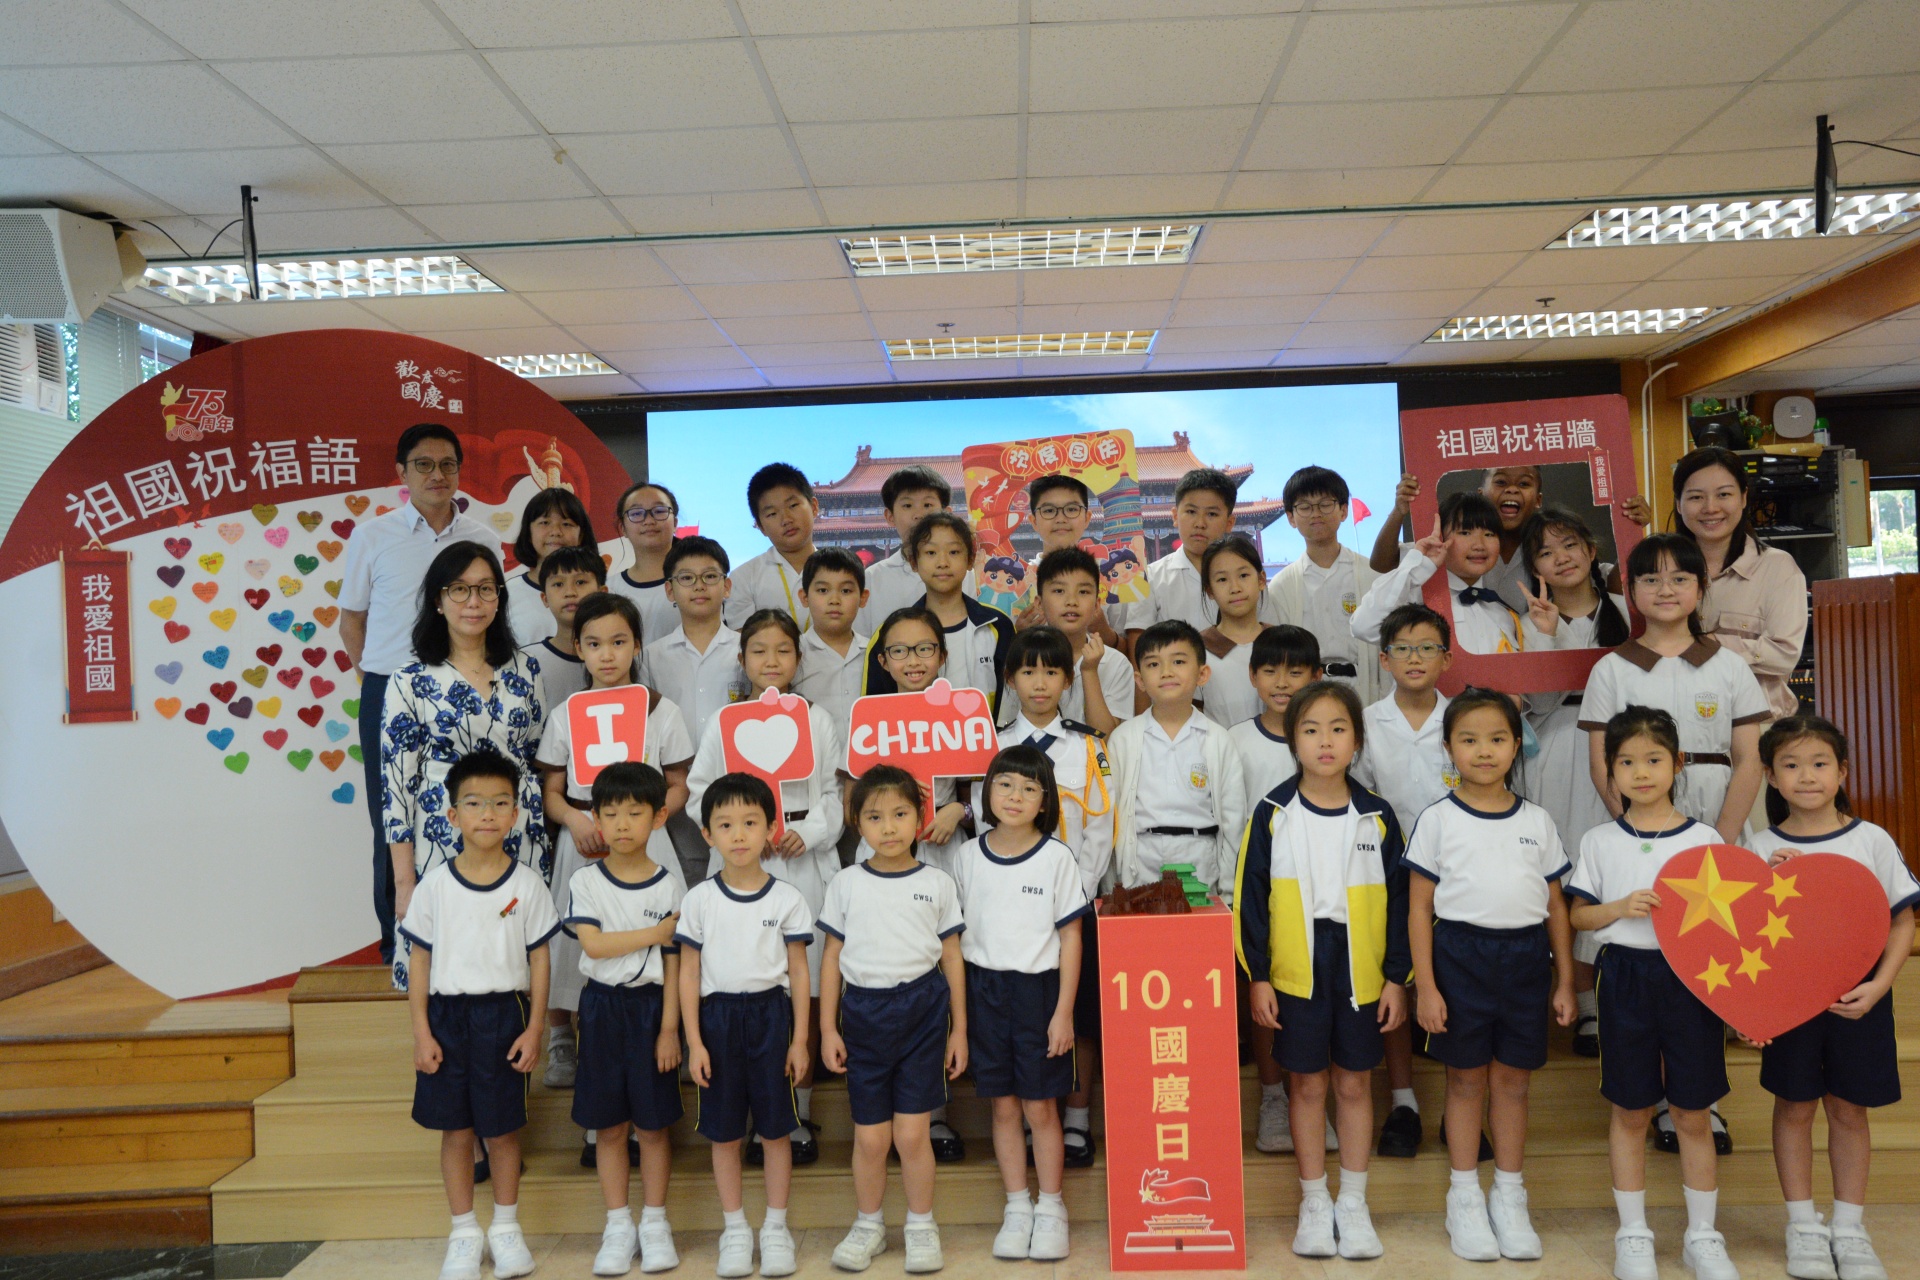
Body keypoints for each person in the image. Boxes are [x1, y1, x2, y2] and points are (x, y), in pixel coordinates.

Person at [1236, 681, 1409, 1261]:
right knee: (1307, 1084)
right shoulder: (1273, 813)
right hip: (1296, 970)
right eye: (1311, 730)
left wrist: (1396, 977)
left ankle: (1353, 1203)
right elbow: (1250, 901)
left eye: (1338, 729)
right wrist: (1259, 974)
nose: (1325, 741)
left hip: (1361, 970)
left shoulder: (1378, 816)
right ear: (1294, 741)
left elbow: (1402, 904)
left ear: (1357, 741)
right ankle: (1314, 1202)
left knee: (1354, 1083)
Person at [1405, 688, 1576, 1263]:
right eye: (1470, 740)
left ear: (1516, 745)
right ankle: (1464, 1197)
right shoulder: (1437, 820)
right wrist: (1427, 986)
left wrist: (1566, 980)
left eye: (1498, 738)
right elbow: (1418, 911)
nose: (1484, 751)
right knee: (1464, 1081)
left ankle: (1509, 1194)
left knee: (1513, 1082)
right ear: (1448, 747)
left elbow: (1556, 907)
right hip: (1460, 959)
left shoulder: (1537, 820)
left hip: (1525, 961)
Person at [1565, 707, 1736, 1280]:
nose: (1641, 773)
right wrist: (1620, 907)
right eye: (1627, 762)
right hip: (1625, 978)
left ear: (1678, 764)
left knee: (1692, 1110)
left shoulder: (1705, 839)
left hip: (1692, 981)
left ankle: (1703, 1236)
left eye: (1654, 760)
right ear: (1610, 772)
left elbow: (1732, 926)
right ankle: (1633, 1233)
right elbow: (1579, 916)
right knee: (1631, 1108)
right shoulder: (1599, 840)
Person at [1749, 716, 1917, 1280]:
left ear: (1842, 772)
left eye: (1820, 764)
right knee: (1794, 1105)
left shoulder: (1871, 839)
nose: (1807, 777)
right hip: (1790, 999)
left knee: (1848, 1108)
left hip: (1857, 995)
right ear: (1770, 776)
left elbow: (1902, 921)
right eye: (1791, 765)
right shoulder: (1760, 846)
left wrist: (1879, 985)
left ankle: (1849, 1227)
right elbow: (1746, 939)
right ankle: (1803, 1226)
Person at [686, 608, 844, 1167]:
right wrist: (743, 835)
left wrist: (807, 832)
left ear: (798, 658)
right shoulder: (725, 723)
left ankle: (797, 1112)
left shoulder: (817, 720)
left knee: (803, 985)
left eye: (783, 650)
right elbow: (698, 794)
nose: (771, 660)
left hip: (799, 857)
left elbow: (833, 795)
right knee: (745, 982)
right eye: (759, 650)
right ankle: (747, 1114)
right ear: (742, 658)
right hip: (741, 863)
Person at [399, 750, 559, 1280]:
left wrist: (535, 1028)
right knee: (457, 1131)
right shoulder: (434, 886)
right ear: (453, 815)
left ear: (515, 814)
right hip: (447, 1017)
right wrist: (421, 1033)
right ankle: (464, 1232)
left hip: (505, 1015)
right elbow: (419, 960)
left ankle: (507, 1229)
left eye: (499, 803)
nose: (487, 813)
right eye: (473, 803)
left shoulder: (527, 885)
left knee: (503, 1130)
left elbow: (540, 959)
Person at [341, 422, 496, 967]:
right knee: (393, 817)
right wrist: (375, 681)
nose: (437, 475)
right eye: (424, 465)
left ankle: (471, 937)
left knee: (469, 807)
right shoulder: (373, 536)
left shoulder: (481, 537)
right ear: (401, 473)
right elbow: (352, 620)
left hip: (463, 686)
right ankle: (397, 945)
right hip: (388, 689)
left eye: (448, 464)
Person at [536, 594, 694, 1119]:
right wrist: (577, 819)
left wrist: (651, 820)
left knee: (662, 938)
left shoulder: (660, 710)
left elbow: (679, 782)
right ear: (579, 649)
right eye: (595, 644)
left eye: (619, 642)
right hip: (584, 841)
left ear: (637, 645)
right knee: (578, 946)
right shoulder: (565, 714)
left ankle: (669, 1031)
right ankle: (567, 1040)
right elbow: (551, 791)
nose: (607, 654)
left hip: (648, 841)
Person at [819, 766, 968, 1275]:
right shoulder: (845, 883)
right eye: (875, 817)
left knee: (911, 1135)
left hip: (924, 1012)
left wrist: (960, 1030)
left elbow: (952, 958)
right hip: (863, 1013)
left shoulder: (937, 882)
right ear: (857, 823)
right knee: (871, 1138)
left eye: (900, 814)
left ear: (920, 817)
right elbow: (831, 958)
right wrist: (827, 1028)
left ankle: (922, 1227)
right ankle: (869, 1225)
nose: (888, 827)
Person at [381, 541, 545, 993]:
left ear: (499, 598)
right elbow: (396, 787)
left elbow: (536, 754)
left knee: (514, 960)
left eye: (486, 589)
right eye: (459, 589)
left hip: (517, 829)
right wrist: (404, 882)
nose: (474, 601)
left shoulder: (526, 669)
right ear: (438, 600)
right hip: (443, 833)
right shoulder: (410, 679)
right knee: (445, 966)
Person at [951, 746, 1089, 1263]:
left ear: (1045, 802)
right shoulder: (967, 856)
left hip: (1039, 994)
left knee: (1040, 1107)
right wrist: (959, 1021)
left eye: (1030, 788)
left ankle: (1051, 1207)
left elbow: (1071, 938)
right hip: (983, 991)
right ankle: (1017, 1206)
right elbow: (954, 941)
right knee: (1004, 1106)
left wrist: (1063, 1013)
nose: (1015, 796)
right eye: (1005, 784)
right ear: (986, 791)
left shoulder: (1057, 857)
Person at [675, 773, 815, 1280]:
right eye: (726, 825)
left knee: (776, 1131)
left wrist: (801, 1040)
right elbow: (688, 973)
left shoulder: (787, 898)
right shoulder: (699, 900)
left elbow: (799, 972)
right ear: (707, 834)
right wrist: (694, 1042)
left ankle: (775, 1228)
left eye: (751, 823)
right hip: (716, 1021)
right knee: (725, 1133)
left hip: (772, 1017)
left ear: (770, 829)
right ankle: (734, 1228)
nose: (739, 835)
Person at [989, 626, 1115, 1171]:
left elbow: (1101, 827)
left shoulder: (1088, 746)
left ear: (1068, 681)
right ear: (1010, 679)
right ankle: (1022, 1117)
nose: (1039, 683)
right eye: (1027, 672)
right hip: (1009, 909)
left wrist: (1072, 896)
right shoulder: (993, 743)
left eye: (1051, 672)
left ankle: (1078, 1118)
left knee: (1079, 1013)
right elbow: (987, 828)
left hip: (1073, 907)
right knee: (1019, 1014)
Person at [560, 762, 686, 1278]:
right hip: (602, 1009)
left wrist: (670, 1029)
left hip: (654, 1010)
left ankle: (654, 1223)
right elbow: (593, 945)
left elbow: (676, 965)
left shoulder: (669, 885)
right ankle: (618, 1225)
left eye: (634, 813)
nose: (622, 824)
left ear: (658, 817)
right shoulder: (585, 881)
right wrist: (655, 934)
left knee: (653, 1127)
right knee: (609, 1127)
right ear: (596, 819)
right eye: (610, 814)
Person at [1516, 507, 1630, 1058]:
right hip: (1559, 745)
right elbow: (1537, 702)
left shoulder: (1629, 613)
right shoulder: (1527, 620)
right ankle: (1585, 1005)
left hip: (1625, 745)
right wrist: (1545, 636)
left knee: (1619, 868)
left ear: (1590, 550)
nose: (1560, 558)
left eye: (1568, 545)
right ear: (1534, 568)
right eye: (1545, 552)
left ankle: (1624, 996)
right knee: (1567, 875)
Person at [1349, 603, 1457, 1160]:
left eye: (1427, 648)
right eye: (1403, 649)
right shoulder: (1367, 723)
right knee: (1394, 979)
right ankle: (1404, 1101)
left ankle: (1461, 1109)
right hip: (1386, 873)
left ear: (1447, 658)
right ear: (1384, 659)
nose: (1416, 658)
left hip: (1458, 875)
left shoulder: (1465, 718)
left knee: (1452, 984)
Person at [1225, 624, 1325, 1157]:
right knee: (1261, 990)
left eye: (1296, 671)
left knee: (1316, 991)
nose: (1282, 682)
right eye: (1270, 671)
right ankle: (1271, 1097)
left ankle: (1314, 1095)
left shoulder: (1328, 738)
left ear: (1317, 675)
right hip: (1258, 890)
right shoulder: (1234, 741)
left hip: (1322, 888)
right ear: (1252, 676)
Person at [1629, 446, 1809, 725]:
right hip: (1674, 725)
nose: (1710, 508)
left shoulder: (1777, 568)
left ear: (1744, 498)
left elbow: (1785, 656)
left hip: (1757, 726)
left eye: (1724, 494)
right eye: (1696, 497)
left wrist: (1709, 644)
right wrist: (1630, 529)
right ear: (1679, 504)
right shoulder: (1659, 570)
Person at [1105, 620, 1249, 896]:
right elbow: (1111, 815)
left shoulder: (1218, 739)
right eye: (1153, 664)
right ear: (1139, 680)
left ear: (1202, 674)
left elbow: (1234, 819)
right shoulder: (1123, 739)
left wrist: (1229, 891)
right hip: (1140, 858)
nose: (1166, 672)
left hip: (1200, 856)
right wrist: (1113, 883)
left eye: (1179, 662)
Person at [864, 512, 1014, 724]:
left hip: (988, 743)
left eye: (953, 552)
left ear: (970, 560)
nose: (943, 562)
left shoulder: (999, 627)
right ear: (914, 562)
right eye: (931, 552)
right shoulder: (890, 635)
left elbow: (1011, 703)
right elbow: (874, 712)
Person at [1267, 466, 1384, 706]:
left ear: (1343, 511)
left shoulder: (1372, 575)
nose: (1316, 514)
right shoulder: (1281, 586)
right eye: (1305, 507)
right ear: (1291, 517)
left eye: (1325, 504)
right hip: (1306, 694)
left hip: (1366, 691)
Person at [1353, 493, 1524, 655]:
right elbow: (1364, 627)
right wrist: (1419, 567)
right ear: (1440, 537)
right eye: (1465, 533)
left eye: (1489, 534)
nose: (1479, 545)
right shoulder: (1415, 600)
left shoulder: (1505, 615)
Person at [1121, 467, 1278, 642]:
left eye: (1212, 514)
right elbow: (1138, 645)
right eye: (1191, 512)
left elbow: (1270, 637)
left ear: (1229, 522)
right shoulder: (1150, 578)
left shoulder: (1248, 577)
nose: (1200, 523)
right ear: (1175, 516)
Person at [1372, 469, 1542, 616]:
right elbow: (1381, 563)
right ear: (1481, 494)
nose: (1512, 489)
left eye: (1524, 483)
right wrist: (1399, 511)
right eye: (1501, 482)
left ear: (1538, 500)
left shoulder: (1544, 548)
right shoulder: (1437, 547)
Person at [642, 536, 745, 744]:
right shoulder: (651, 657)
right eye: (687, 578)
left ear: (727, 586)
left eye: (710, 576)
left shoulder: (746, 649)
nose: (699, 586)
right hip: (673, 763)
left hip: (733, 762)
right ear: (670, 591)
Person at [856, 466, 973, 635]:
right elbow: (860, 642)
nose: (918, 514)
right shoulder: (871, 580)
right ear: (890, 516)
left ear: (946, 514)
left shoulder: (972, 577)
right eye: (908, 505)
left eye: (927, 504)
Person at [1012, 474, 1124, 644]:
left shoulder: (1112, 575)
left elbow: (1126, 651)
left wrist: (1102, 629)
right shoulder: (1014, 581)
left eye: (1071, 509)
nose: (1061, 519)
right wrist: (1018, 634)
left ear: (1087, 518)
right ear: (1033, 521)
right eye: (1049, 511)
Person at [1032, 546, 1131, 734]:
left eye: (1083, 592)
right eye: (1059, 590)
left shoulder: (1117, 664)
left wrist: (1089, 671)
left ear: (1096, 605)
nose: (1072, 601)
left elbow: (1106, 739)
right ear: (1039, 603)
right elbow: (1012, 731)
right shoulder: (1023, 658)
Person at [726, 463, 820, 630]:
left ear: (814, 507)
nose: (786, 519)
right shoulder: (743, 578)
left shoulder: (842, 571)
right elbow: (744, 641)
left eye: (793, 506)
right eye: (772, 514)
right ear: (761, 526)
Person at [505, 487, 597, 647]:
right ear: (529, 532)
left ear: (581, 535)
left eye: (566, 524)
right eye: (545, 523)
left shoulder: (596, 590)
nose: (555, 532)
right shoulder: (508, 594)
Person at [519, 545, 602, 713]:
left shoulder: (619, 655)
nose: (570, 592)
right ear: (544, 598)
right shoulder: (526, 662)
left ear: (602, 592)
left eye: (580, 582)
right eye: (558, 584)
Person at [1198, 534, 1269, 727]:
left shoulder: (1282, 642)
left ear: (1261, 580)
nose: (1235, 588)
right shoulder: (1197, 649)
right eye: (1222, 579)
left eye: (1243, 575)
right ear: (1210, 591)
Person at [794, 548, 870, 728]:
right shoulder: (793, 655)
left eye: (845, 591)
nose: (834, 600)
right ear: (804, 597)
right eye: (822, 590)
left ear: (863, 598)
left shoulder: (874, 653)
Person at [608, 481, 684, 648]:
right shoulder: (609, 590)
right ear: (623, 528)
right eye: (636, 513)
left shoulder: (696, 583)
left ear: (675, 523)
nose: (648, 520)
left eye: (659, 511)